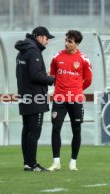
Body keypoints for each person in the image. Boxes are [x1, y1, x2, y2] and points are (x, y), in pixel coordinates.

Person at [47, 30, 92, 171]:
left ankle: (73, 162)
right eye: (66, 40)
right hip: (59, 99)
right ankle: (56, 162)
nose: (66, 43)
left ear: (77, 43)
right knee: (56, 128)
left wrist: (77, 90)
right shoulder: (56, 57)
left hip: (76, 99)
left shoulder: (84, 60)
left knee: (76, 129)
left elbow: (88, 80)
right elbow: (53, 77)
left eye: (70, 41)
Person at [15, 26, 55, 172]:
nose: (48, 41)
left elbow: (24, 75)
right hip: (35, 98)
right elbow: (36, 75)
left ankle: (27, 163)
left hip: (25, 96)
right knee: (34, 132)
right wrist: (51, 79)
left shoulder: (23, 50)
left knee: (26, 130)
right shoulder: (33, 52)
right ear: (39, 37)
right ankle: (32, 164)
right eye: (46, 38)